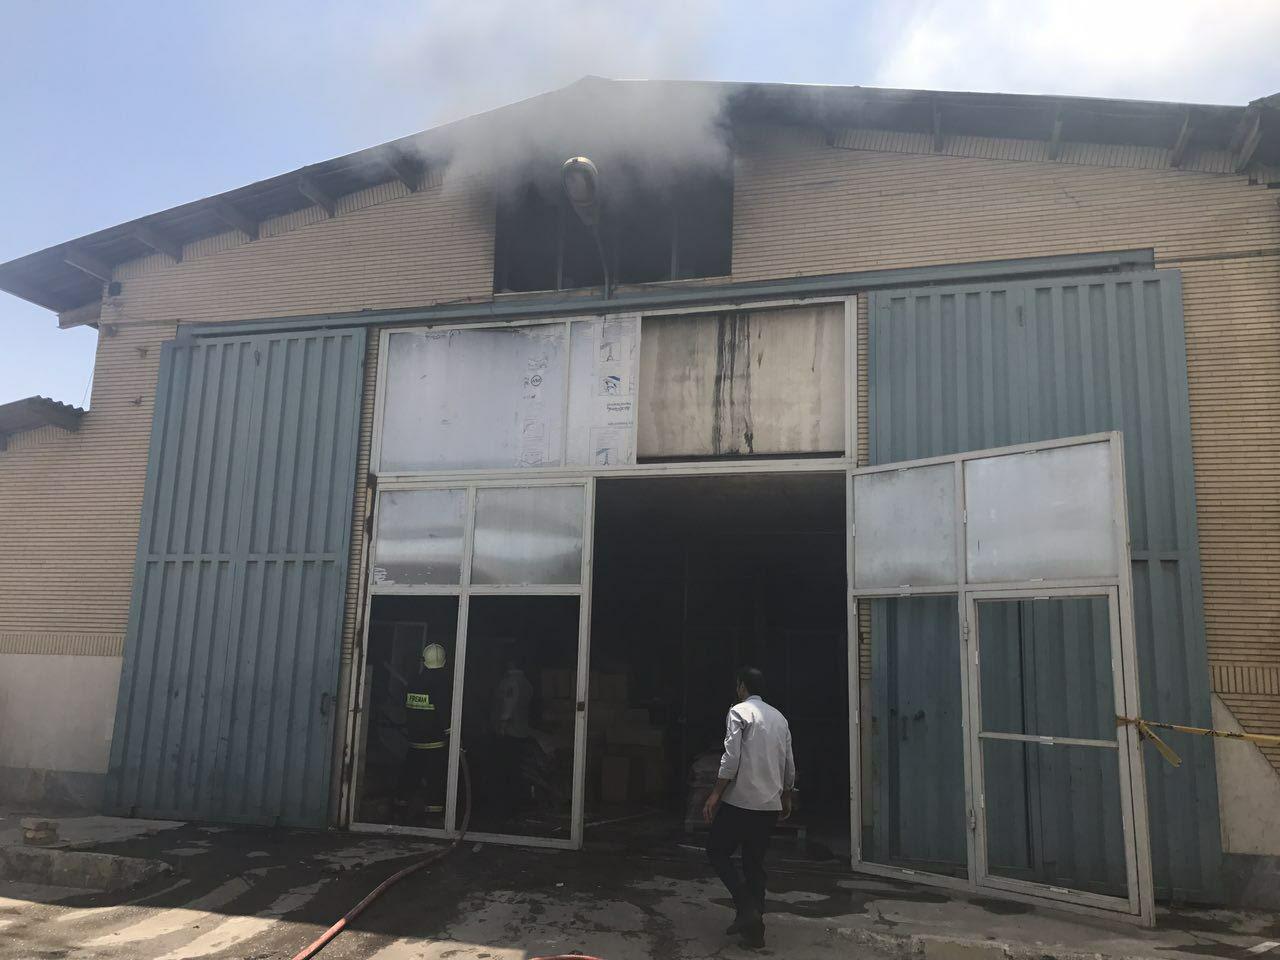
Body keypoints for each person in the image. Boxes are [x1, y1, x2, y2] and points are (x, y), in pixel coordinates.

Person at [703, 666, 796, 949]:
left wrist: (716, 793)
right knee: (754, 864)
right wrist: (786, 796)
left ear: (742, 686)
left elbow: (731, 758)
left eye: (737, 685)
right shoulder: (780, 718)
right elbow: (788, 763)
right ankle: (756, 933)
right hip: (768, 805)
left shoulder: (739, 712)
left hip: (740, 802)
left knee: (716, 850)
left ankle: (745, 907)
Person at [396, 640, 452, 820]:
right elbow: (444, 711)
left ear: (424, 660)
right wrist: (450, 731)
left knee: (410, 775)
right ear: (444, 661)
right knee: (435, 778)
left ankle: (400, 807)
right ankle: (434, 815)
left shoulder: (414, 682)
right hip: (435, 743)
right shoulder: (441, 684)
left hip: (414, 741)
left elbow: (406, 707)